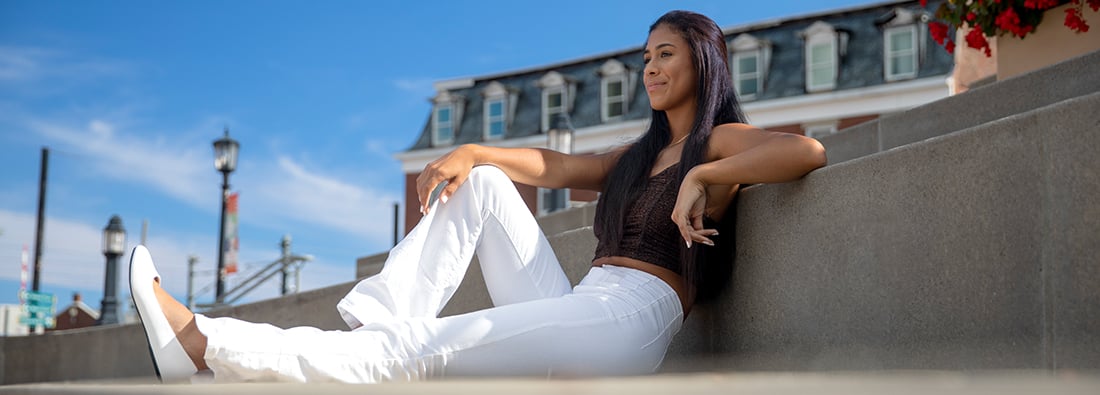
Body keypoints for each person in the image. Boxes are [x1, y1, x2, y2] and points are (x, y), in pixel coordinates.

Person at [130, 10, 826, 384]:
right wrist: (476, 149)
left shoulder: (721, 140)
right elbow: (553, 166)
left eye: (664, 53)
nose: (649, 65)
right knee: (489, 182)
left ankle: (203, 341)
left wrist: (704, 176)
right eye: (645, 55)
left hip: (628, 322)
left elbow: (806, 151)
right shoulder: (639, 155)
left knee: (423, 350)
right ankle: (379, 322)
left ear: (702, 59)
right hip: (581, 303)